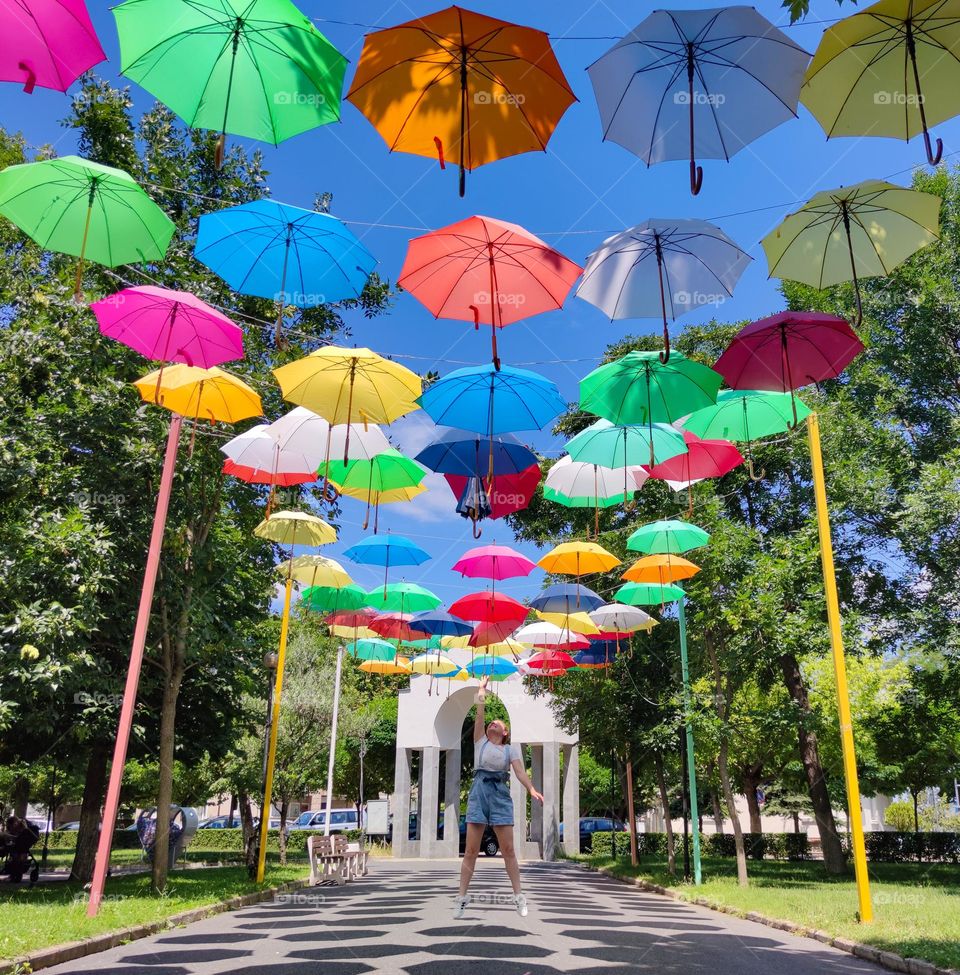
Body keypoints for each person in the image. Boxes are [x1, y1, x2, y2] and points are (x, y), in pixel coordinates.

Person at [454, 675, 544, 919]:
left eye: (498, 723)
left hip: (500, 794)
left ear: (505, 732)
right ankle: (462, 898)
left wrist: (531, 789)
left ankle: (518, 897)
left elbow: (519, 772)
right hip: (479, 791)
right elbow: (479, 714)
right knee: (471, 850)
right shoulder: (480, 741)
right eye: (490, 722)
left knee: (508, 850)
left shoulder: (510, 749)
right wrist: (481, 691)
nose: (492, 724)